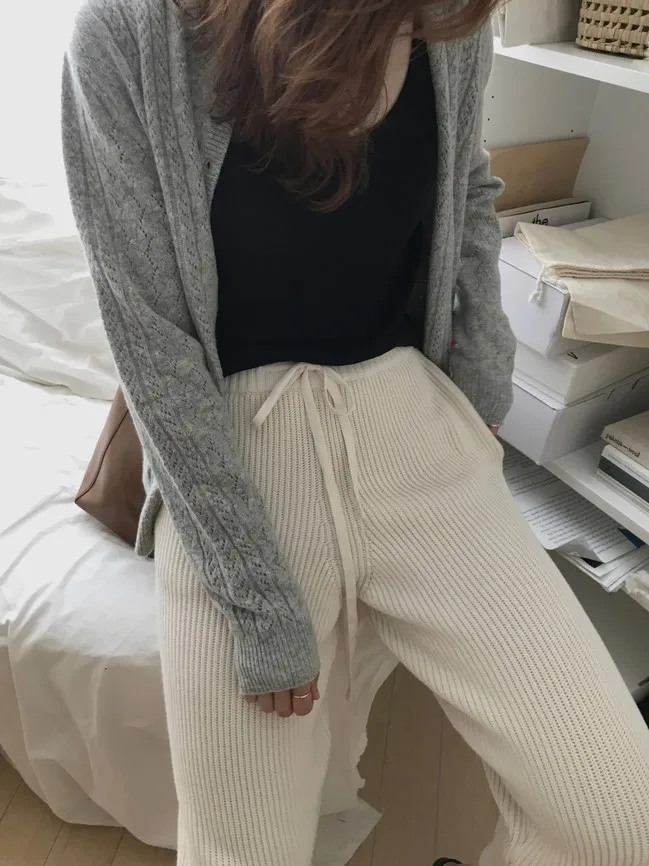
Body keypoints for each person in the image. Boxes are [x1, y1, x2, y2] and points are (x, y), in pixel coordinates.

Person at [61, 0, 649, 863]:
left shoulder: (444, 24)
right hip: (235, 459)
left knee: (621, 819)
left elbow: (467, 192)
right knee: (243, 850)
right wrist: (256, 598)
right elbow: (146, 326)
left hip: (414, 422)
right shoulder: (128, 30)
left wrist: (480, 387)